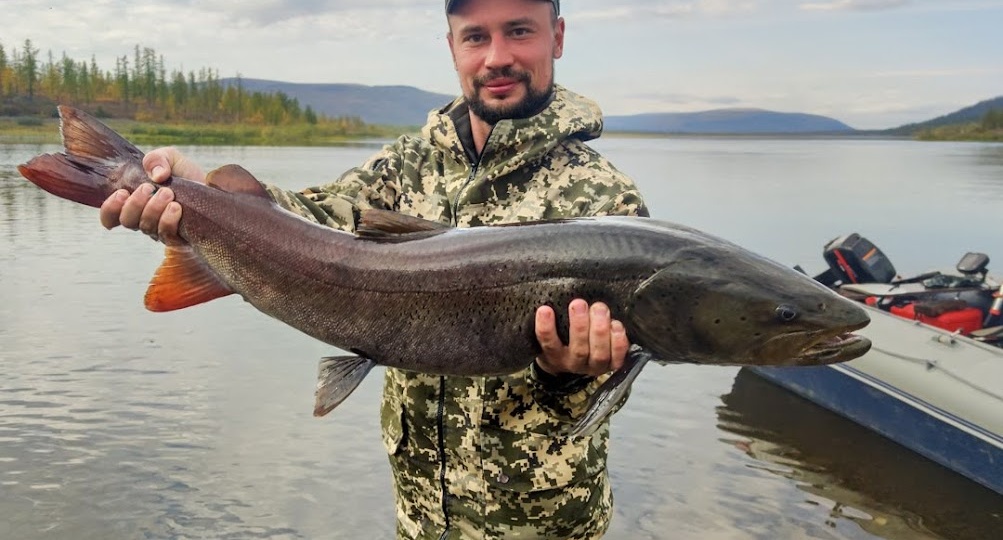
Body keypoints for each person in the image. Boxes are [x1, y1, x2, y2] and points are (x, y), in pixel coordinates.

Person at [99, 0, 648, 537]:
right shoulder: (406, 165)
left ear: (557, 36)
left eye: (519, 31)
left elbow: (612, 393)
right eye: (476, 36)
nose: (496, 57)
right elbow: (307, 220)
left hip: (541, 525)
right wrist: (195, 194)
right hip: (418, 519)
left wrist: (568, 374)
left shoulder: (606, 203)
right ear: (453, 47)